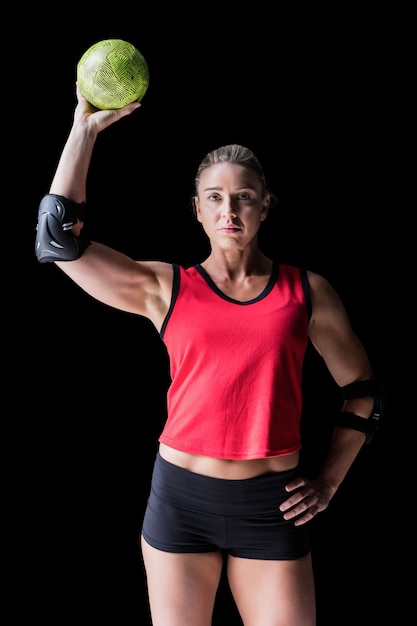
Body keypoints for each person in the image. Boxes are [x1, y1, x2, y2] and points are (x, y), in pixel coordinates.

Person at [35, 84, 384, 626]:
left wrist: (329, 482)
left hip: (271, 506)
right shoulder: (165, 288)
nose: (229, 208)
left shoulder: (308, 292)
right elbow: (56, 240)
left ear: (264, 206)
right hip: (181, 501)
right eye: (215, 197)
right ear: (197, 209)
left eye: (243, 196)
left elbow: (362, 393)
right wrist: (83, 132)